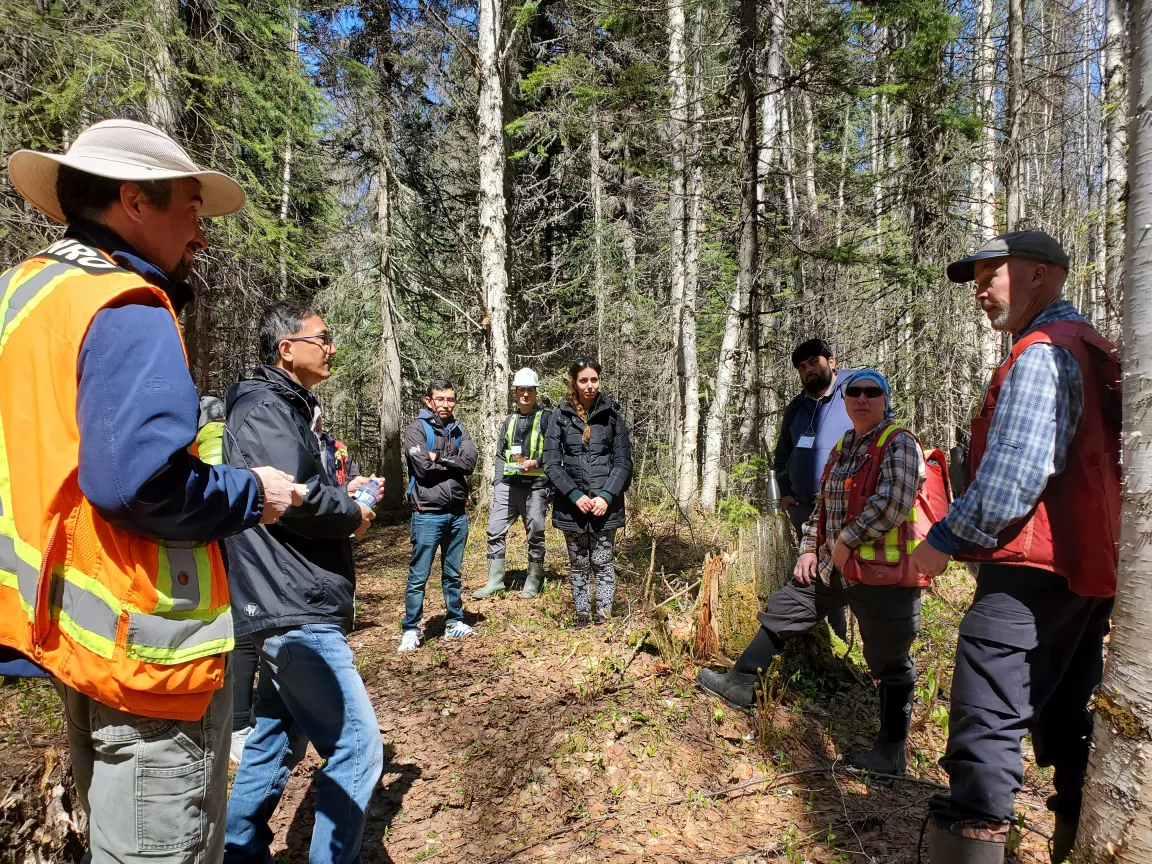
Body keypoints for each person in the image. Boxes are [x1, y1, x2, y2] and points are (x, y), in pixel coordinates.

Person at [0, 118, 303, 863]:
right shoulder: (125, 301)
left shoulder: (24, 293)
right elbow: (138, 484)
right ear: (134, 201)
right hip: (149, 654)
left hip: (68, 634)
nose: (201, 236)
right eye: (192, 212)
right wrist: (250, 492)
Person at [908, 231, 1120, 864]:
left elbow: (1015, 476)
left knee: (984, 726)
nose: (978, 289)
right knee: (1066, 717)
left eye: (990, 273)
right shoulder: (1092, 348)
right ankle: (1077, 843)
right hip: (1088, 572)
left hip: (1029, 575)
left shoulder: (1042, 353)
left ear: (1038, 275)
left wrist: (942, 540)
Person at [698, 370, 928, 775]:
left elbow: (894, 501)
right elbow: (821, 506)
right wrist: (810, 550)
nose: (861, 398)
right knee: (786, 607)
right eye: (854, 392)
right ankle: (740, 682)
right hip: (830, 566)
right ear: (845, 401)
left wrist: (846, 542)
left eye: (872, 392)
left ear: (885, 400)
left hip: (882, 574)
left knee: (889, 660)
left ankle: (891, 752)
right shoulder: (844, 445)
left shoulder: (900, 443)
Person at [222, 302, 382, 862]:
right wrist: (352, 511)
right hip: (294, 606)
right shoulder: (266, 407)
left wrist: (346, 491)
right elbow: (290, 498)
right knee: (359, 749)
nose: (331, 347)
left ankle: (236, 851)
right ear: (287, 348)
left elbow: (305, 488)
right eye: (323, 337)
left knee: (268, 745)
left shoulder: (286, 409)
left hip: (286, 600)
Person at [773, 338, 855, 641]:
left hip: (849, 507)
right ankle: (832, 637)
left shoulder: (856, 392)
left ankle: (863, 646)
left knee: (853, 575)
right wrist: (786, 492)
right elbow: (782, 454)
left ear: (831, 362)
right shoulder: (796, 408)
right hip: (805, 508)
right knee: (817, 573)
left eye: (813, 362)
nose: (808, 370)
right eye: (801, 367)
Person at [543, 359, 633, 627]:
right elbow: (551, 462)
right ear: (574, 382)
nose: (590, 386)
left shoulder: (612, 416)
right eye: (584, 380)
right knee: (579, 564)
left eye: (594, 380)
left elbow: (623, 462)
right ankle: (582, 616)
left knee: (603, 563)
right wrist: (574, 495)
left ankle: (604, 617)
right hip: (573, 506)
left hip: (607, 505)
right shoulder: (559, 417)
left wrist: (606, 496)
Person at [400, 379, 479, 651]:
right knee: (419, 575)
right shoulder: (416, 429)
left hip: (457, 513)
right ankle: (411, 628)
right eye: (440, 399)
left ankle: (454, 621)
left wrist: (438, 457)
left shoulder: (460, 430)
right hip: (427, 513)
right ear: (429, 401)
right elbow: (422, 468)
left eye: (450, 399)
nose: (445, 404)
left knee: (453, 573)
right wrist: (449, 461)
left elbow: (468, 464)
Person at [474, 367, 554, 600]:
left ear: (535, 392)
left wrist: (536, 462)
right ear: (515, 393)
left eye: (530, 390)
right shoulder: (508, 421)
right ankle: (495, 581)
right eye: (521, 390)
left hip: (537, 486)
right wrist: (498, 482)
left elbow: (553, 449)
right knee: (494, 531)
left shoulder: (546, 418)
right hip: (508, 485)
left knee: (536, 533)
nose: (526, 394)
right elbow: (501, 454)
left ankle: (533, 579)